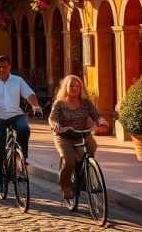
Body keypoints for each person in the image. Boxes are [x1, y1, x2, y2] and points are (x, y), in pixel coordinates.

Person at [0, 55, 42, 193]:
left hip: (15, 115)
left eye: (4, 67)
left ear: (9, 67)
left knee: (24, 129)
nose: (1, 69)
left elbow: (29, 94)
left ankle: (22, 156)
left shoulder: (17, 80)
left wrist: (35, 105)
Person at [49, 74, 107, 204]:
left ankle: (85, 174)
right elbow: (52, 118)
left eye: (77, 86)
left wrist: (100, 120)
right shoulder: (60, 103)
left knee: (92, 147)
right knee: (69, 161)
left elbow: (95, 115)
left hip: (82, 134)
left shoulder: (86, 102)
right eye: (71, 86)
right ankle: (66, 187)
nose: (75, 88)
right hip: (64, 136)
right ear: (65, 87)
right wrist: (55, 124)